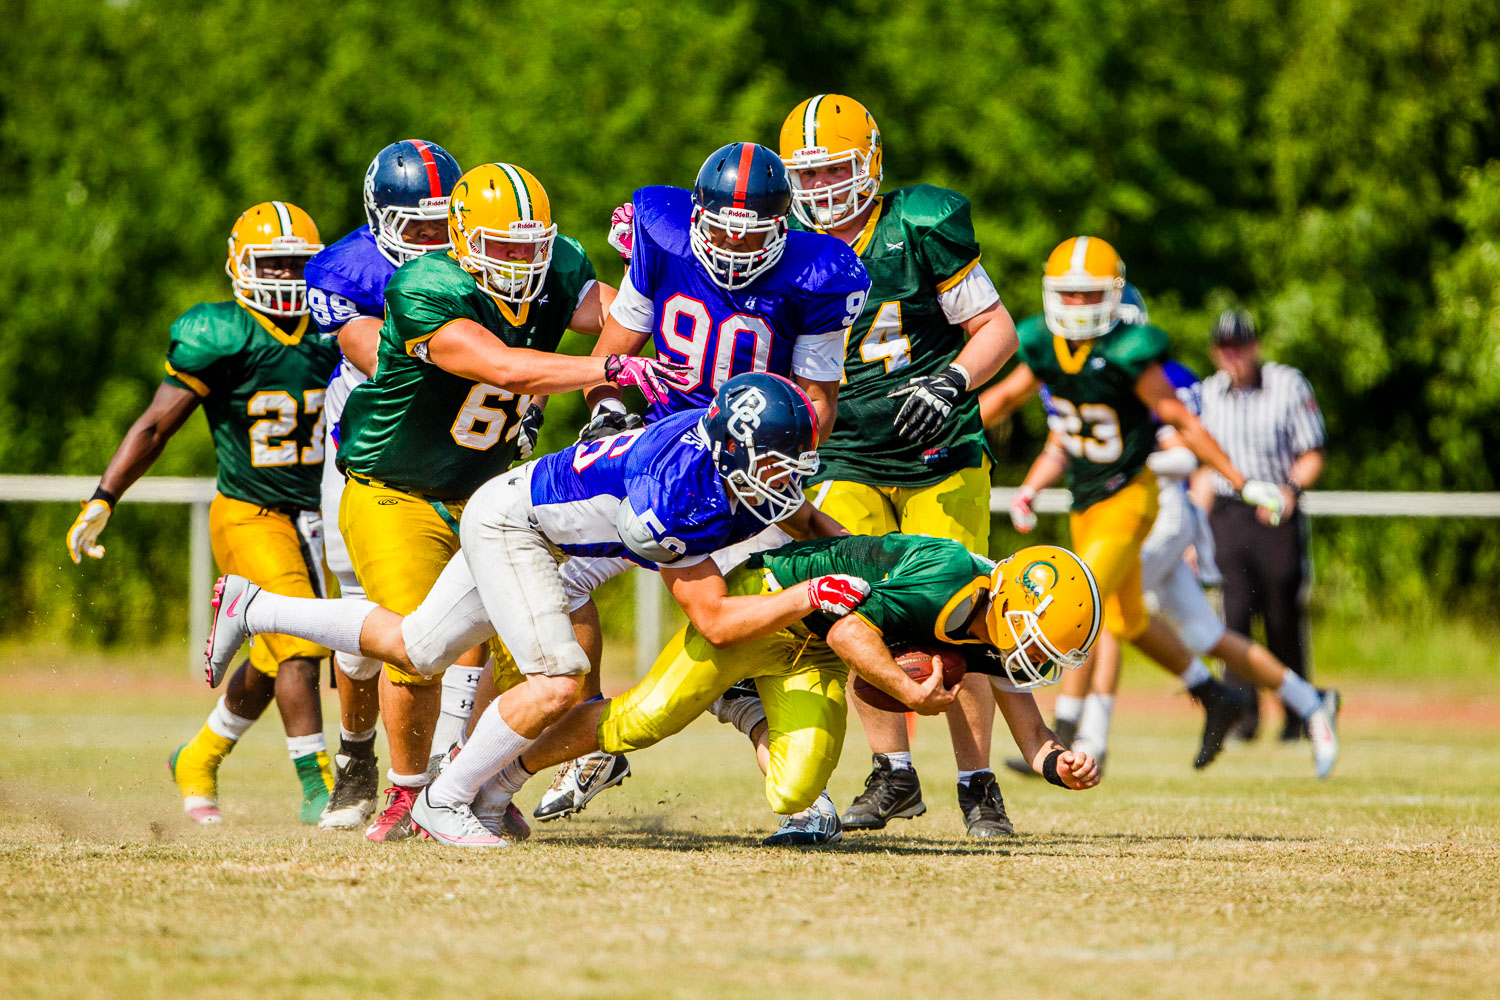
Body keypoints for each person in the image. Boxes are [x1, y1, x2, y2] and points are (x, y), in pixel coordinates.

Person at [201, 374, 855, 845]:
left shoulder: (724, 460)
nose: (787, 476)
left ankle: (255, 604)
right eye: (775, 463)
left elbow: (800, 515)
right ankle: (446, 801)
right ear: (733, 452)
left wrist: (878, 562)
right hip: (520, 529)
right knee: (558, 680)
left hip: (515, 514)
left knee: (419, 646)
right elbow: (712, 620)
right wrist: (810, 596)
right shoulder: (673, 493)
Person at [329, 160, 685, 842]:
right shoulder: (426, 286)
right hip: (393, 490)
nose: (522, 261)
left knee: (552, 653)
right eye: (504, 248)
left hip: (487, 496)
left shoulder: (558, 273)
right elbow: (501, 366)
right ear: (461, 241)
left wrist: (665, 282)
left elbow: (628, 318)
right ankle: (409, 794)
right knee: (417, 648)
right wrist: (608, 369)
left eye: (533, 247)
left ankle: (477, 781)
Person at [531, 142, 871, 823]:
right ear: (697, 219)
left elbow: (820, 404)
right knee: (549, 579)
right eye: (721, 231)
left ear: (784, 226)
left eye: (753, 235)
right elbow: (619, 340)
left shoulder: (820, 274)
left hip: (739, 475)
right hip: (650, 454)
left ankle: (804, 792)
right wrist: (604, 410)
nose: (735, 249)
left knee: (744, 632)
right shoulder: (661, 228)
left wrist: (777, 454)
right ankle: (590, 737)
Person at [437, 537, 1104, 848]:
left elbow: (1017, 696)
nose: (1033, 653)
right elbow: (850, 633)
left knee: (795, 792)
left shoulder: (994, 624)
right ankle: (497, 778)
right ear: (1008, 600)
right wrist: (910, 689)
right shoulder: (948, 579)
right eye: (1035, 637)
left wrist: (1053, 759)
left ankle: (740, 702)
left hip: (816, 646)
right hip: (773, 602)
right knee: (643, 718)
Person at [775, 93, 1023, 838]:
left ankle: (979, 783)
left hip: (938, 447)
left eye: (835, 171)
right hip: (845, 448)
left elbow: (996, 329)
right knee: (851, 607)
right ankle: (894, 774)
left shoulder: (919, 223)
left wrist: (950, 382)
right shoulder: (787, 247)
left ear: (872, 162)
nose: (821, 190)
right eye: (808, 176)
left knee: (961, 614)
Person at [67, 201, 340, 825]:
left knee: (275, 658)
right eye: (272, 263)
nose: (285, 277)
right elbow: (157, 426)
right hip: (250, 510)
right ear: (239, 266)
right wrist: (104, 495)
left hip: (320, 516)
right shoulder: (221, 333)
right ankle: (320, 788)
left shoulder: (335, 329)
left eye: (297, 264)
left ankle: (200, 755)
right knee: (299, 644)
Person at [980, 235, 1289, 769]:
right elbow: (1005, 397)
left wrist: (1239, 482)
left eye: (1089, 294)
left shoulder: (1128, 351)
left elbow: (1182, 422)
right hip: (1084, 504)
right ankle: (1217, 696)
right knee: (1127, 621)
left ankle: (1062, 736)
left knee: (1073, 601)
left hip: (1129, 499)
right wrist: (935, 432)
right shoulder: (1044, 344)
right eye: (1068, 294)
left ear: (1113, 295)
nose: (1076, 306)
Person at [1002, 361, 1340, 778]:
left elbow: (1185, 455)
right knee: (1204, 634)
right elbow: (1060, 445)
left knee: (1094, 607)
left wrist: (1131, 463)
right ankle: (1304, 701)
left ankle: (1078, 736)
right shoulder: (1073, 378)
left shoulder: (1150, 375)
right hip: (1112, 515)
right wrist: (1031, 489)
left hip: (1157, 512)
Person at [301, 138, 469, 831]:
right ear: (381, 218)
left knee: (462, 612)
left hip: (457, 450)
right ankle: (356, 754)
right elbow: (377, 354)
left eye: (442, 224)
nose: (432, 240)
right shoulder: (344, 271)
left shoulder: (480, 253)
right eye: (417, 226)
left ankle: (446, 777)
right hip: (366, 450)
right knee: (363, 622)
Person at [1195, 310, 1327, 741]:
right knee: (1231, 616)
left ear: (1256, 346)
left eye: (1241, 346)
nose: (1233, 356)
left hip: (1275, 508)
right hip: (1228, 513)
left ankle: (1298, 714)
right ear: (1216, 352)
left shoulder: (1287, 385)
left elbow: (1312, 451)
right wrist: (1192, 531)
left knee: (1281, 613)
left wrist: (1289, 490)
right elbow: (1203, 470)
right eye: (1225, 347)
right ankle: (1242, 715)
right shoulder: (1207, 395)